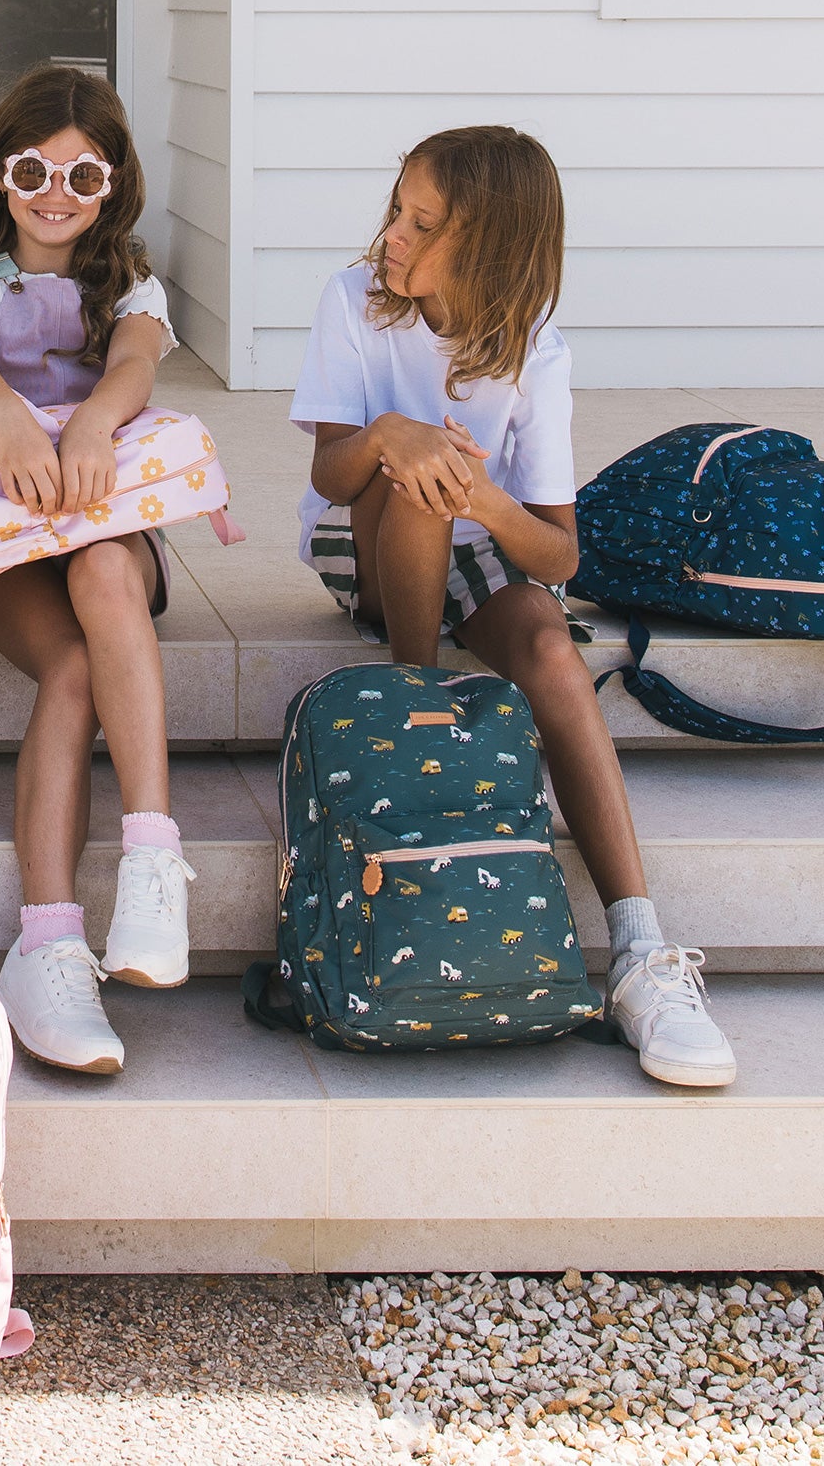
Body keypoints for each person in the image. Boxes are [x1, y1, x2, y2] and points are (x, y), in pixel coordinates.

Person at [291, 124, 737, 1090]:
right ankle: (421, 707)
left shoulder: (535, 349)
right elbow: (329, 470)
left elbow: (558, 550)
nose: (393, 237)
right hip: (365, 541)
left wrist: (485, 500)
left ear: (490, 245)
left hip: (481, 546)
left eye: (422, 222)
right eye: (395, 210)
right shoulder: (355, 303)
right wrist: (396, 437)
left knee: (547, 643)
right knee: (415, 486)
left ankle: (642, 950)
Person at [0, 64, 186, 1077]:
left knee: (108, 570)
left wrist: (97, 424)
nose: (56, 195)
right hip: (4, 532)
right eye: (33, 171)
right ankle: (48, 942)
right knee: (70, 666)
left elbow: (134, 363)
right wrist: (12, 418)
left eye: (84, 176)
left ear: (115, 185)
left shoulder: (132, 287)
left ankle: (153, 862)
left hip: (97, 522)